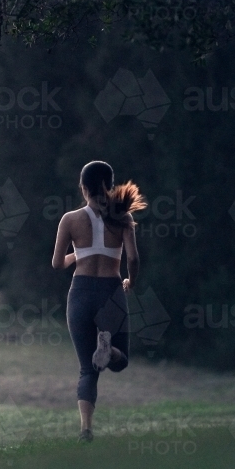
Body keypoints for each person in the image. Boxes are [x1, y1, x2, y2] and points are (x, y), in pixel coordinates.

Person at [52, 161, 146, 442]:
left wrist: (78, 256)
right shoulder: (123, 218)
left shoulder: (70, 219)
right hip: (110, 292)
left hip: (80, 293)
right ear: (110, 184)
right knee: (120, 361)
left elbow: (57, 263)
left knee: (86, 369)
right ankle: (108, 349)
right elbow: (133, 259)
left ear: (83, 187)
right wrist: (131, 280)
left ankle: (85, 430)